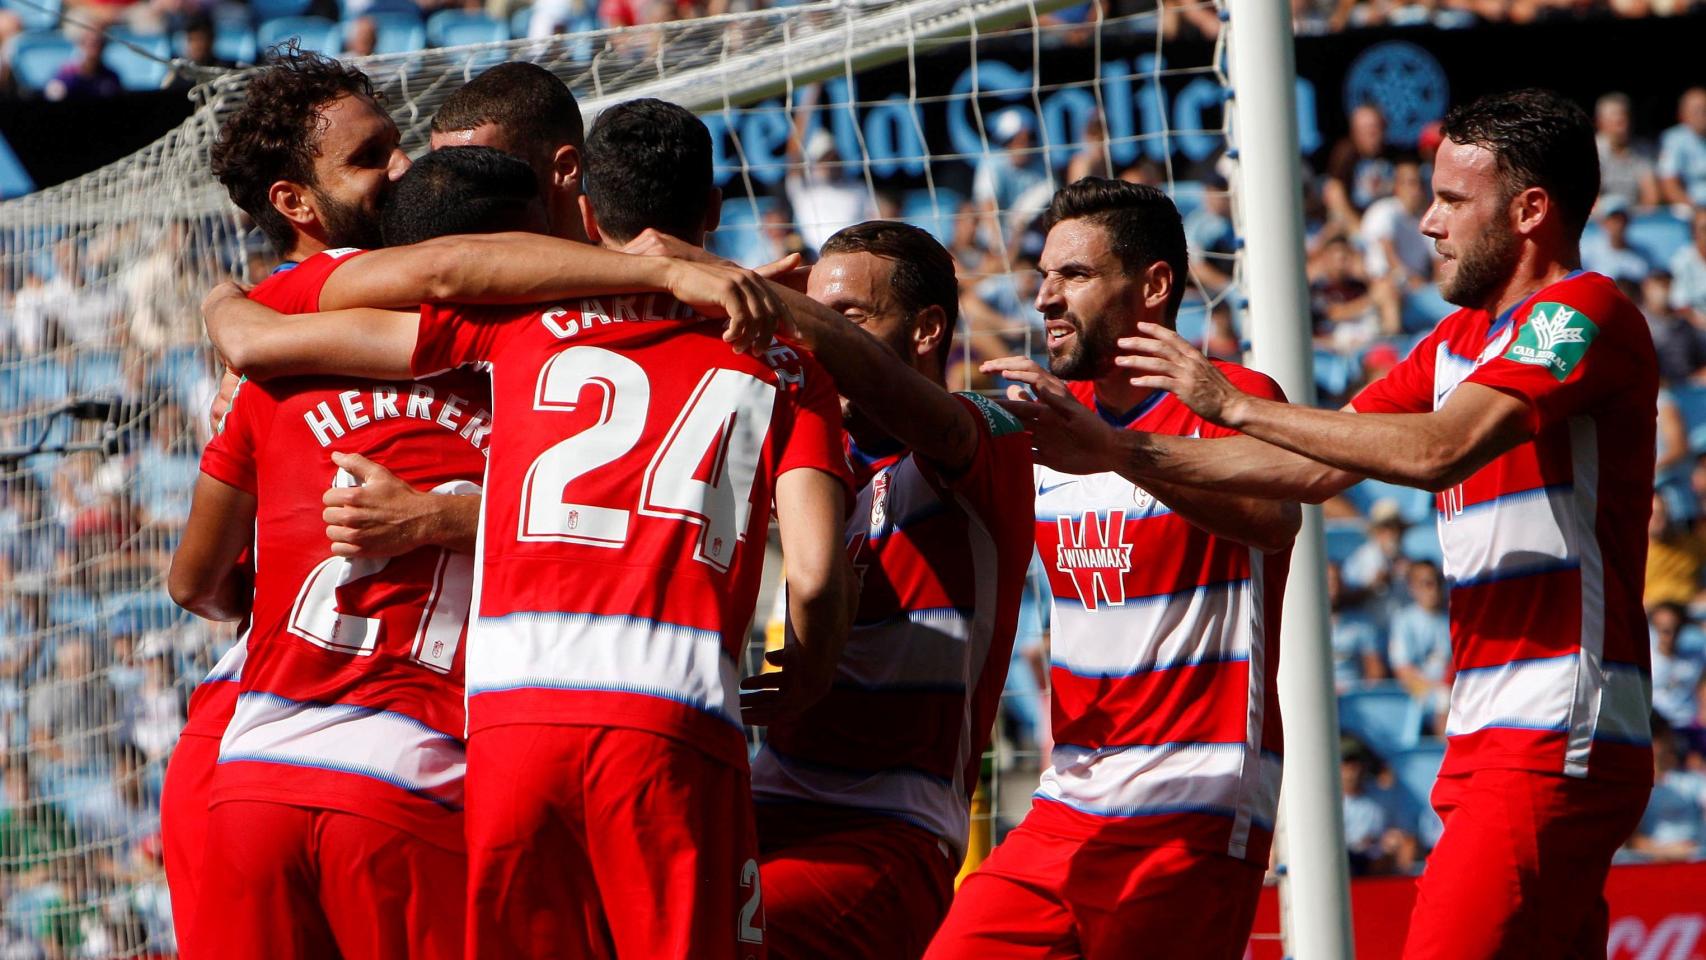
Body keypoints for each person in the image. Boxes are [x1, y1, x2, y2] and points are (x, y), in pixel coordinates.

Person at [201, 98, 855, 960]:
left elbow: (255, 353)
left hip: (495, 727)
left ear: (582, 211)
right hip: (660, 718)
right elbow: (811, 577)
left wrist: (223, 303)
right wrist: (801, 681)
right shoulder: (782, 359)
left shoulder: (512, 328)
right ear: (713, 215)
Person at [1103, 88, 1657, 959]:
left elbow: (1441, 449)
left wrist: (1224, 404)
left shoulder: (1581, 312)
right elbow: (1314, 470)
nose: (1425, 222)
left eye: (1449, 200)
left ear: (1530, 211)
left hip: (1556, 724)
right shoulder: (1453, 344)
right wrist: (1115, 453)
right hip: (1487, 728)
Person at [166, 150, 526, 960]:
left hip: (245, 760)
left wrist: (221, 298)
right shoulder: (528, 377)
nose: (396, 164)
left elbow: (193, 582)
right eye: (370, 155)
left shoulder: (272, 362)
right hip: (408, 772)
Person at [926, 178, 1298, 960]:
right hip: (1068, 799)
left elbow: (1274, 520)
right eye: (1043, 277)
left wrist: (1116, 457)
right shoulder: (1052, 426)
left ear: (1154, 286)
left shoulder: (1235, 400)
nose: (1045, 300)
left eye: (1075, 275)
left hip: (1194, 795)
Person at [748, 221, 1034, 958]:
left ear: (927, 328)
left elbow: (916, 409)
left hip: (889, 828)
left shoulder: (989, 437)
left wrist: (724, 284)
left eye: (845, 318)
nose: (814, 338)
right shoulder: (807, 456)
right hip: (763, 795)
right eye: (810, 311)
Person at [428, 62, 588, 242]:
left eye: (481, 170)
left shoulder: (621, 264)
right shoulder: (419, 264)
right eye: (442, 173)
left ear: (564, 169)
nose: (452, 199)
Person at [1593, 92, 1659, 211]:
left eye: (1625, 119)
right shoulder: (1591, 151)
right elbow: (1590, 198)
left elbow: (1651, 197)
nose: (1623, 126)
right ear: (1601, 122)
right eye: (1618, 122)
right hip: (1602, 219)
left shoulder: (1643, 150)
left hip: (1637, 218)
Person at [1658, 88, 1706, 210]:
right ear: (1683, 114)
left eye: (1704, 110)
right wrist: (1697, 212)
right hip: (1690, 211)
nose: (1702, 115)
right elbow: (1669, 184)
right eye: (1697, 110)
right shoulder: (1673, 139)